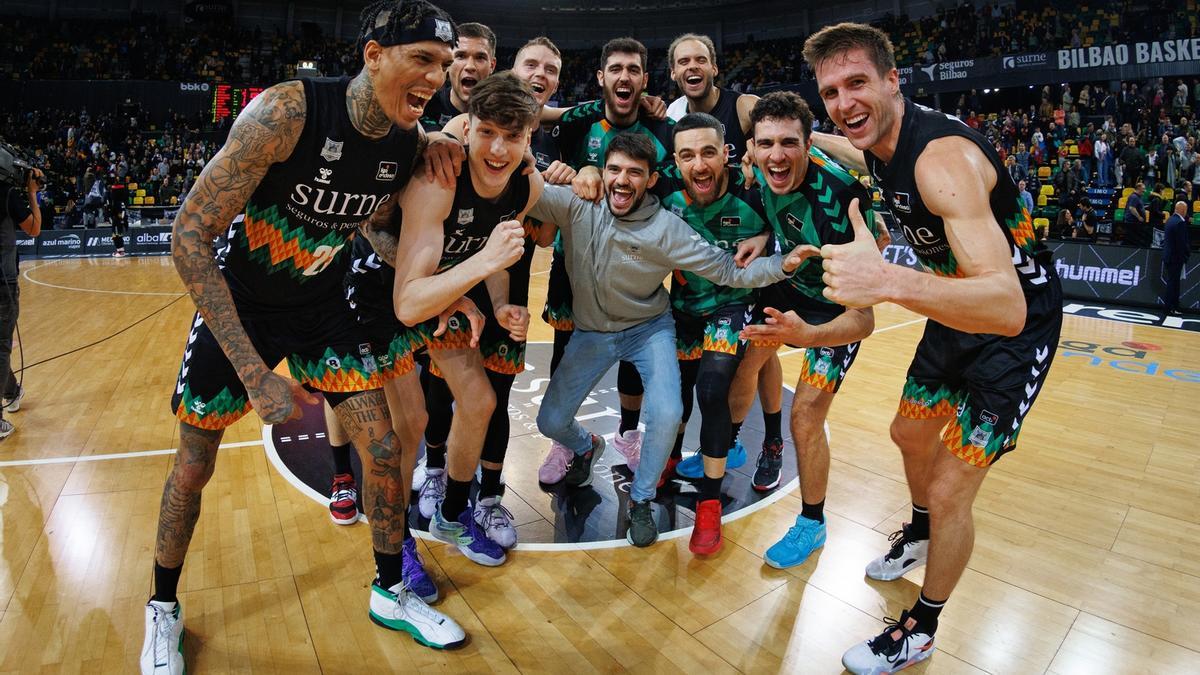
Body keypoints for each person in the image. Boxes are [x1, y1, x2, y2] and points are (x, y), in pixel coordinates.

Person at [142, 4, 469, 673]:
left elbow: (374, 227)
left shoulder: (407, 141)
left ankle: (390, 591)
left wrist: (444, 287)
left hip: (322, 307)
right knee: (194, 464)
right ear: (374, 55)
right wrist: (253, 372)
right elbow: (189, 234)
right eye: (423, 59)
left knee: (383, 447)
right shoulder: (287, 112)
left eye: (443, 64)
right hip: (242, 305)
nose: (437, 76)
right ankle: (161, 607)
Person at [804, 22, 1063, 674]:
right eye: (831, 92)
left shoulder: (940, 162)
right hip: (954, 311)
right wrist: (801, 137)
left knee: (950, 489)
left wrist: (888, 279)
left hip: (1015, 325)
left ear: (893, 81)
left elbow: (1005, 307)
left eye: (857, 83)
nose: (844, 103)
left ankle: (922, 627)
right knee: (909, 432)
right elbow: (853, 151)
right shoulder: (878, 140)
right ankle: (919, 534)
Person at [530, 132, 814, 547]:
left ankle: (642, 499)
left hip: (648, 329)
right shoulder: (578, 204)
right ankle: (586, 447)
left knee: (667, 413)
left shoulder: (666, 228)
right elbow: (521, 189)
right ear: (602, 172)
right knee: (550, 422)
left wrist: (781, 265)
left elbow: (727, 269)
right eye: (613, 170)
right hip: (592, 332)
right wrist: (544, 168)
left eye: (634, 173)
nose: (622, 180)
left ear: (650, 180)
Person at [421, 38, 579, 549]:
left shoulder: (547, 151)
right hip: (447, 285)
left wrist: (565, 182)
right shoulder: (461, 133)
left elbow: (545, 236)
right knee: (444, 393)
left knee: (497, 398)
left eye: (551, 68)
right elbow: (451, 134)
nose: (541, 73)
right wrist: (441, 138)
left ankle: (487, 496)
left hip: (507, 282)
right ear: (511, 69)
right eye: (531, 63)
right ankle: (437, 472)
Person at [393, 71, 543, 565]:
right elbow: (407, 303)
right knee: (407, 424)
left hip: (441, 290)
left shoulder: (527, 186)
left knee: (479, 401)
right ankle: (395, 542)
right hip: (384, 291)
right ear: (467, 127)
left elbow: (493, 253)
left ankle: (452, 515)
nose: (498, 149)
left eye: (512, 136)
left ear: (529, 137)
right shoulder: (438, 180)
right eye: (487, 132)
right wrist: (479, 267)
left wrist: (499, 304)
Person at [726, 92, 879, 565]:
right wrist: (762, 235)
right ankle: (730, 446)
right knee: (743, 361)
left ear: (809, 145)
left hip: (835, 308)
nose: (776, 155)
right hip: (791, 286)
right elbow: (744, 106)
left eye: (789, 143)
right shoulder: (760, 171)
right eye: (765, 143)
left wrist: (807, 336)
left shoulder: (841, 202)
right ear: (751, 147)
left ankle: (812, 524)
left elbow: (863, 320)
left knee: (806, 416)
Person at [536, 37, 678, 483]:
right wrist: (575, 172)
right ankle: (566, 442)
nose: (624, 77)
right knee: (564, 349)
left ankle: (628, 434)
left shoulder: (662, 129)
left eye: (633, 70)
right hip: (574, 259)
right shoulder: (577, 122)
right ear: (601, 77)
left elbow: (670, 188)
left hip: (636, 263)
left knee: (634, 354)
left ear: (645, 79)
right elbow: (543, 142)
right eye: (615, 68)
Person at [662, 32, 786, 483]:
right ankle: (727, 443)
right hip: (711, 265)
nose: (692, 67)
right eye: (683, 61)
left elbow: (782, 142)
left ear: (714, 66)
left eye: (700, 59)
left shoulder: (743, 107)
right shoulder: (673, 116)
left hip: (754, 253)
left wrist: (767, 228)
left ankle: (770, 443)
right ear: (673, 72)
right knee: (739, 365)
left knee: (759, 359)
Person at [0, 154, 43, 438]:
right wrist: (31, 193)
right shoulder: (7, 194)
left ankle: (12, 391)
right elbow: (34, 228)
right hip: (3, 281)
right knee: (1, 346)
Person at [419, 22, 495, 131]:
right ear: (448, 62)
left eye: (480, 58)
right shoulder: (425, 104)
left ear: (492, 65)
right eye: (461, 56)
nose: (470, 66)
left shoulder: (504, 111)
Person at [1163, 201, 1191, 315]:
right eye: (1186, 210)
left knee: (1171, 282)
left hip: (1168, 257)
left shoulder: (1169, 220)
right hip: (1176, 258)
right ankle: (1171, 307)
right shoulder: (1180, 223)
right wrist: (1186, 256)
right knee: (1173, 284)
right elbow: (1181, 243)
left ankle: (1171, 307)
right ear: (1183, 210)